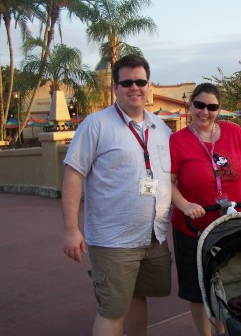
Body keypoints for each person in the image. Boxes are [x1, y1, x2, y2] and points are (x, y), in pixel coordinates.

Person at [61, 54, 172, 336]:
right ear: (115, 87)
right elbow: (73, 175)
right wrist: (71, 229)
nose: (134, 87)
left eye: (140, 81)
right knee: (112, 311)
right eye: (126, 82)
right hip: (113, 239)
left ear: (149, 86)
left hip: (153, 235)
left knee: (138, 298)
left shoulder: (161, 129)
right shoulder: (96, 125)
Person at [170, 82, 241, 336]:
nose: (205, 112)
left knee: (232, 281)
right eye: (199, 105)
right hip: (194, 229)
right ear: (190, 106)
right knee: (199, 289)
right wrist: (185, 205)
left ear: (219, 110)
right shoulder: (177, 141)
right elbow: (167, 183)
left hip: (231, 225)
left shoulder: (234, 132)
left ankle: (229, 328)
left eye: (212, 107)